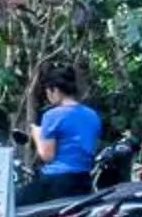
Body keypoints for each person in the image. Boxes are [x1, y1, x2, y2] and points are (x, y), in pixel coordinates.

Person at [25, 66, 102, 203]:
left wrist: (36, 132)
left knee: (10, 205)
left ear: (55, 90)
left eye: (48, 92)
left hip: (56, 181)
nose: (48, 97)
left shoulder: (52, 115)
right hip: (84, 180)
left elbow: (47, 156)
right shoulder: (92, 115)